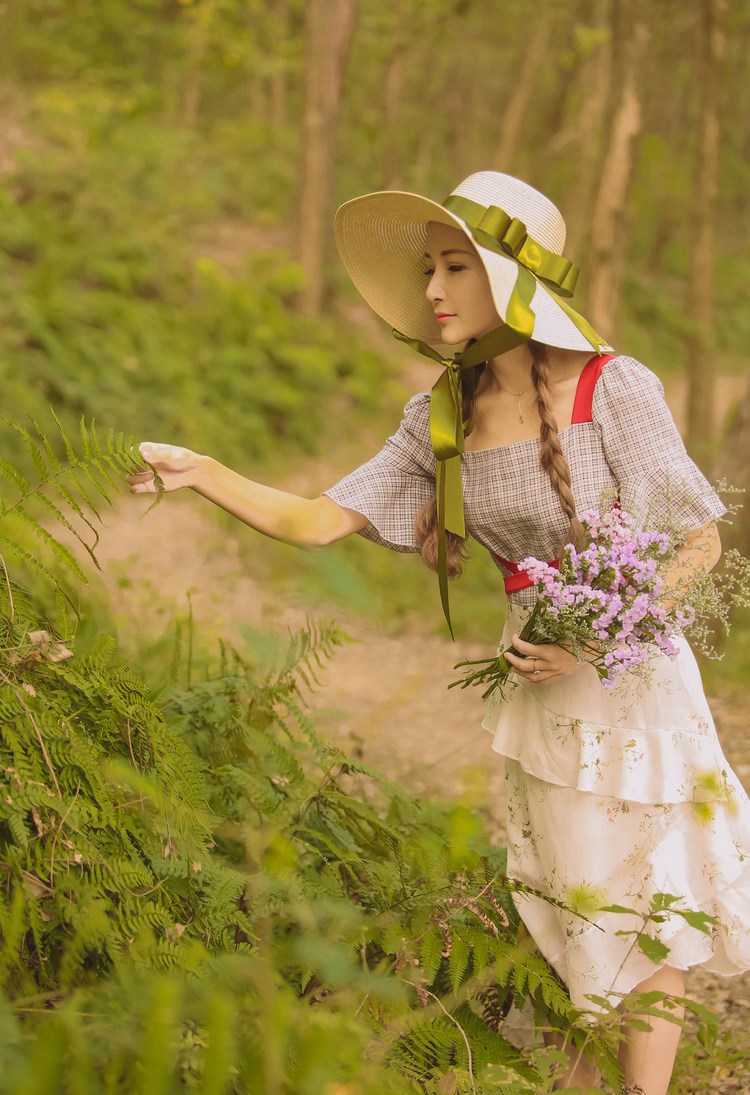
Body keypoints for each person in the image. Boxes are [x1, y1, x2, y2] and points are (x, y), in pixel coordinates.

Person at [127, 171, 750, 1095]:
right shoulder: (440, 414)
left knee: (640, 896)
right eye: (428, 268)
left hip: (630, 677)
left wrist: (596, 635)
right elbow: (316, 519)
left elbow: (697, 541)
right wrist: (205, 470)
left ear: (512, 280)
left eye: (455, 265)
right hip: (538, 689)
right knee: (563, 902)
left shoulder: (611, 387)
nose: (432, 289)